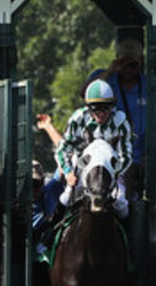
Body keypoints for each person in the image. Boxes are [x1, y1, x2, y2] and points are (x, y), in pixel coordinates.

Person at [55, 79, 133, 220]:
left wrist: (116, 174)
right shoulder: (77, 119)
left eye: (105, 108)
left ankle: (131, 239)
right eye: (95, 109)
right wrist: (68, 173)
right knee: (67, 196)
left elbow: (126, 156)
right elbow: (62, 149)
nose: (101, 114)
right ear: (88, 107)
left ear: (112, 106)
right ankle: (48, 234)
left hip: (112, 169)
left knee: (121, 202)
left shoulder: (121, 122)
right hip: (82, 167)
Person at [88, 38, 148, 199]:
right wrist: (111, 70)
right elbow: (85, 92)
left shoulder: (147, 84)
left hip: (139, 155)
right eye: (124, 63)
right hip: (110, 156)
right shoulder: (104, 80)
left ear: (141, 62)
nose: (128, 69)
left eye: (132, 64)